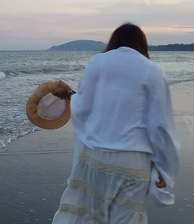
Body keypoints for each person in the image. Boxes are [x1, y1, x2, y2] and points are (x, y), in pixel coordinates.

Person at [51, 23, 180, 224]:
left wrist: (68, 93)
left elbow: (84, 105)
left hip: (95, 158)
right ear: (142, 45)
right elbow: (160, 125)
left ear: (114, 41)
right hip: (134, 162)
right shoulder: (152, 70)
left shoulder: (97, 62)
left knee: (87, 218)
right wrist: (164, 167)